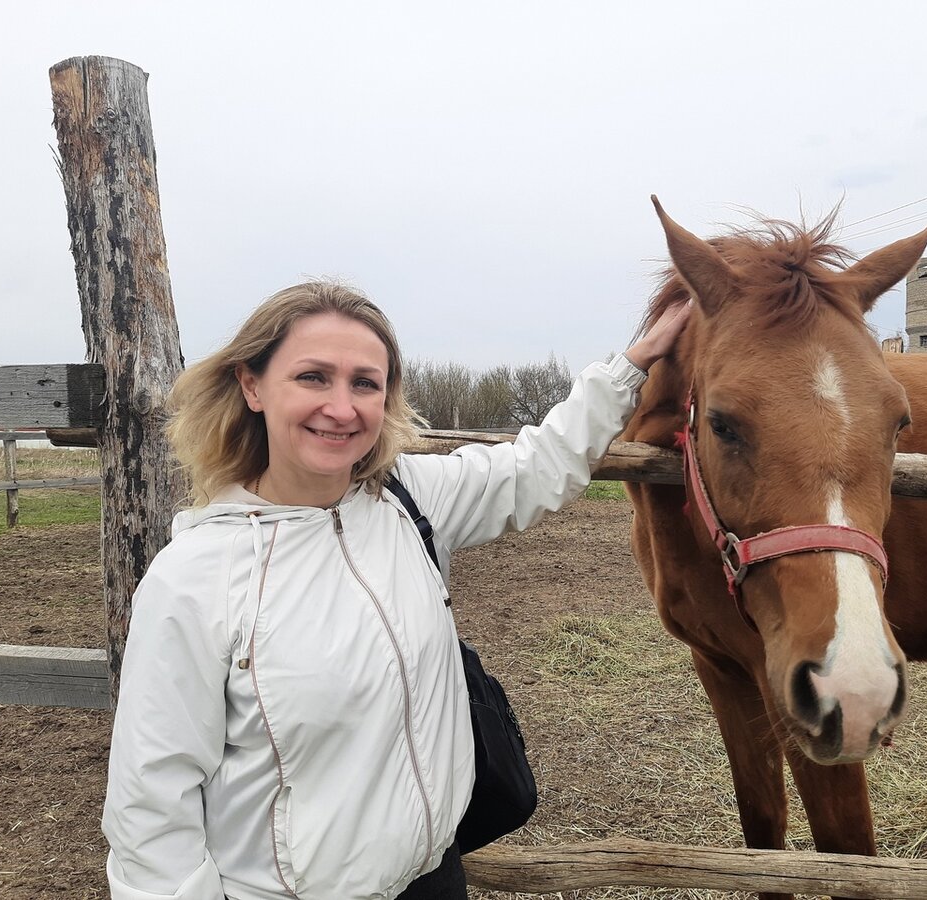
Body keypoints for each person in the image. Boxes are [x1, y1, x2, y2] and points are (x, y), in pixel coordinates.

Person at [101, 280, 691, 900]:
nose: (342, 407)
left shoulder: (406, 500)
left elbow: (535, 466)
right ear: (252, 385)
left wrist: (631, 366)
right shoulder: (194, 579)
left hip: (434, 878)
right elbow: (151, 808)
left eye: (365, 383)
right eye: (312, 377)